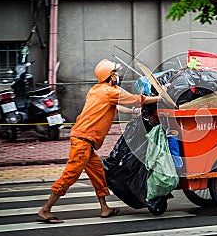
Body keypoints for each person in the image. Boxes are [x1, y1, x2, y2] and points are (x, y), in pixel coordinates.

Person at [37, 59, 160, 223]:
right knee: (70, 176)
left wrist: (132, 111)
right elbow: (137, 99)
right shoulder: (110, 92)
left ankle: (105, 209)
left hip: (85, 141)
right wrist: (159, 98)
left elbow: (116, 106)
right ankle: (46, 209)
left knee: (98, 174)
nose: (117, 75)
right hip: (83, 141)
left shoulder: (96, 90)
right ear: (110, 76)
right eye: (115, 73)